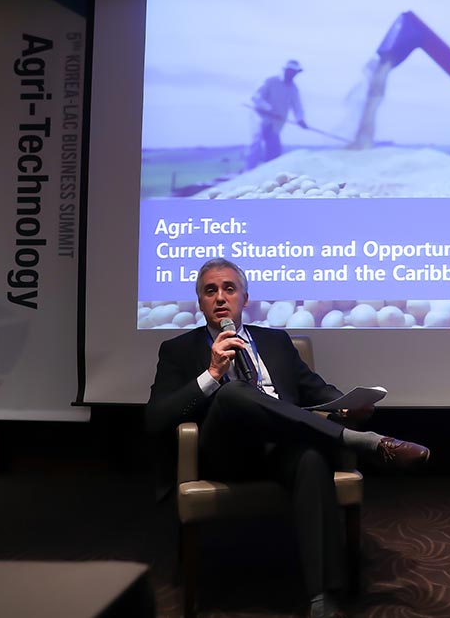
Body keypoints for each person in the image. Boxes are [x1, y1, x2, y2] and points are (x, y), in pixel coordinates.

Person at [146, 257, 430, 618]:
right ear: (200, 302)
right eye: (210, 291)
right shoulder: (178, 349)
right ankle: (363, 442)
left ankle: (322, 598)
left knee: (311, 459)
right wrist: (212, 374)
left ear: (244, 298)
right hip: (226, 453)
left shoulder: (276, 341)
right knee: (233, 393)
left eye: (229, 289)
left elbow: (317, 390)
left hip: (282, 447)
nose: (220, 297)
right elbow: (156, 419)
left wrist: (348, 406)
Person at [246, 59, 308, 168]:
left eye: (294, 72)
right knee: (257, 144)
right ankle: (249, 170)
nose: (292, 74)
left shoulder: (293, 89)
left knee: (274, 148)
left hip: (276, 122)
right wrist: (268, 108)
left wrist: (300, 119)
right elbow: (256, 97)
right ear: (285, 70)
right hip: (260, 118)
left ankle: (268, 172)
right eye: (290, 71)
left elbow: (297, 107)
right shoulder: (271, 81)